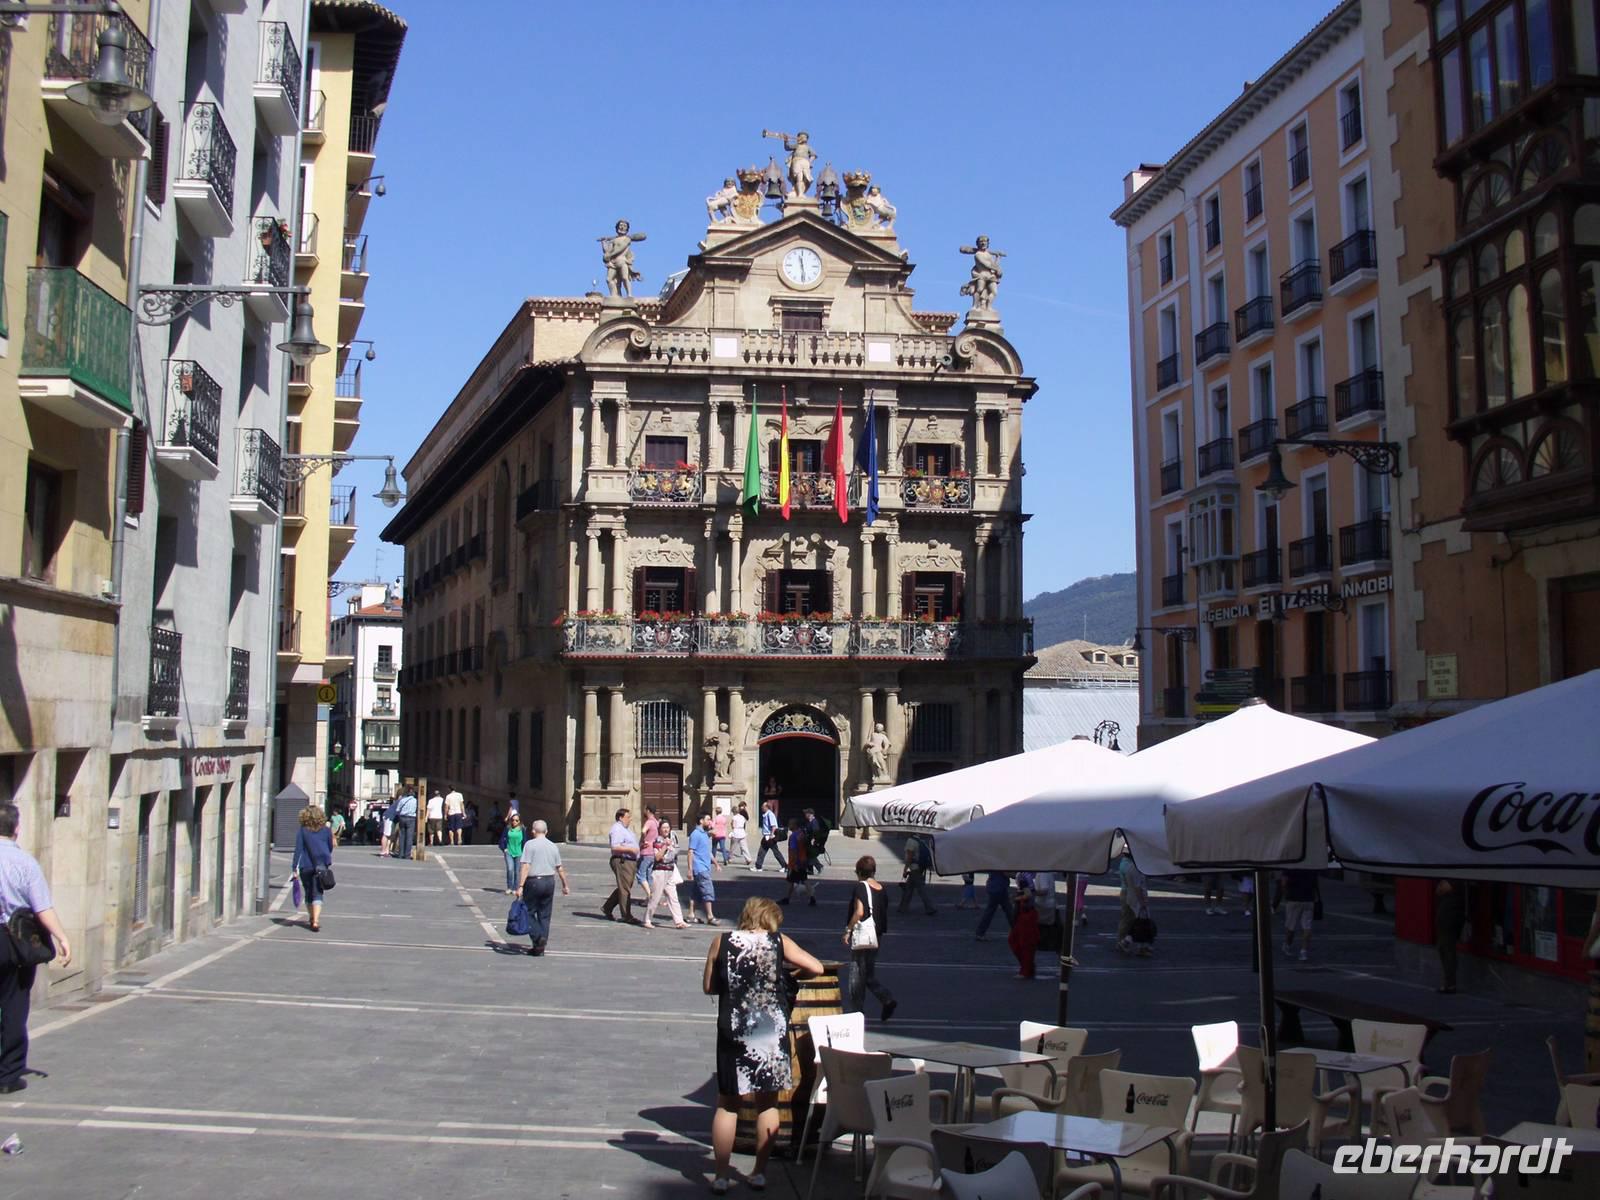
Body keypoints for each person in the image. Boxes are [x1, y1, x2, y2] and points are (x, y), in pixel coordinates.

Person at [703, 897, 823, 1194]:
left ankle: (720, 1175)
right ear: (771, 919)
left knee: (728, 1103)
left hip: (734, 1027)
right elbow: (817, 968)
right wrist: (791, 975)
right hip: (769, 1030)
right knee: (766, 1104)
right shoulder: (779, 941)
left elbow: (708, 986)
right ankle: (758, 1172)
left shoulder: (721, 941)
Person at [0, 802, 73, 1094]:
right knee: (14, 1004)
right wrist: (62, 937)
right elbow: (42, 908)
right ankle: (8, 1074)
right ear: (17, 829)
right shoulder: (25, 863)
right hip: (14, 942)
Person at [844, 856, 897, 1021]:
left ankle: (856, 1013)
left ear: (860, 872)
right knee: (868, 974)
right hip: (876, 936)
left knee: (856, 976)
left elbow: (859, 911)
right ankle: (886, 998)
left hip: (862, 935)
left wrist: (848, 929)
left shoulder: (861, 887)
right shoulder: (881, 888)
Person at [516, 819, 571, 956]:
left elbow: (526, 866)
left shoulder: (530, 844)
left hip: (534, 881)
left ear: (533, 831)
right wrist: (565, 885)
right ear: (546, 831)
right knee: (545, 915)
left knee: (527, 912)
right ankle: (539, 948)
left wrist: (520, 886)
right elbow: (560, 868)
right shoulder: (553, 846)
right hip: (549, 882)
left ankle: (537, 937)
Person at [291, 805, 335, 934]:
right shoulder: (326, 830)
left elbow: (298, 850)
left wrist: (294, 867)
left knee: (308, 891)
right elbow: (330, 846)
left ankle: (311, 917)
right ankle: (315, 920)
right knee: (318, 892)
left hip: (306, 865)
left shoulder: (302, 830)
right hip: (321, 864)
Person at [643, 818, 688, 930]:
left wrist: (671, 847)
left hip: (670, 871)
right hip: (659, 872)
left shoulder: (672, 840)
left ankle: (679, 921)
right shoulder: (657, 841)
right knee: (656, 897)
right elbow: (658, 857)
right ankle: (647, 919)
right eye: (663, 828)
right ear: (659, 829)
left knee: (673, 897)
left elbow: (676, 852)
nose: (666, 830)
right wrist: (665, 847)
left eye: (667, 827)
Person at [600, 808, 641, 924]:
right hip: (623, 860)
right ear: (620, 818)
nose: (630, 819)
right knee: (625, 889)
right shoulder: (617, 829)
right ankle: (626, 915)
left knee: (624, 887)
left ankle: (607, 907)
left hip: (630, 861)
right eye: (628, 817)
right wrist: (631, 849)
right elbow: (615, 846)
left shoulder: (626, 829)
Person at [1275, 869, 1320, 962]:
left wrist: (1285, 894)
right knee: (1307, 927)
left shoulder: (1291, 868)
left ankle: (1287, 945)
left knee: (1291, 926)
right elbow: (1316, 884)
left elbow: (1283, 883)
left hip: (1294, 899)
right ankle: (1303, 952)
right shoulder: (1312, 869)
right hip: (1308, 899)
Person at [1116, 848, 1152, 957]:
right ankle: (1128, 943)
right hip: (1134, 898)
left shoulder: (1129, 866)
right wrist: (1142, 902)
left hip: (1131, 896)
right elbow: (1137, 887)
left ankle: (1135, 944)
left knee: (1136, 922)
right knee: (1140, 923)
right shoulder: (1133, 868)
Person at [1434, 879, 1466, 994]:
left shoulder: (1456, 881)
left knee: (1448, 951)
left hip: (1450, 920)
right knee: (1443, 949)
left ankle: (1450, 984)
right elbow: (1439, 890)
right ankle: (1449, 982)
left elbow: (1442, 889)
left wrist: (1442, 885)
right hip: (1445, 919)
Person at [689, 813, 719, 925]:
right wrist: (689, 869)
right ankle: (710, 916)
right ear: (701, 821)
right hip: (700, 868)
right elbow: (690, 852)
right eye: (708, 819)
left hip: (704, 867)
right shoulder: (696, 834)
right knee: (708, 891)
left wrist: (716, 863)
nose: (710, 821)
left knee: (696, 893)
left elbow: (707, 851)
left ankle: (691, 914)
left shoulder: (705, 834)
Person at [779, 818, 816, 906]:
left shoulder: (793, 836)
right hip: (803, 859)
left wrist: (793, 864)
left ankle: (788, 899)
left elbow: (793, 851)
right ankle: (810, 897)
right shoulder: (801, 833)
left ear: (795, 825)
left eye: (790, 824)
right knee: (799, 880)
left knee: (794, 880)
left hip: (796, 862)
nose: (789, 826)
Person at [1009, 885, 1041, 978]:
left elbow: (1028, 893)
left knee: (1025, 943)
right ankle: (1027, 967)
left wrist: (1017, 898)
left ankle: (1026, 970)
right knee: (1016, 941)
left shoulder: (1026, 875)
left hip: (1027, 914)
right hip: (1023, 913)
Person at [898, 837, 936, 916]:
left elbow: (909, 856)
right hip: (919, 867)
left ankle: (930, 907)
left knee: (921, 889)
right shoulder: (919, 840)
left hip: (915, 868)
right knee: (909, 888)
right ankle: (902, 907)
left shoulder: (910, 841)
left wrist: (905, 869)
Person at [974, 871, 1014, 940]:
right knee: (1008, 911)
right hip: (999, 888)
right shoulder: (1000, 863)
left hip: (995, 887)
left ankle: (980, 932)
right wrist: (1018, 876)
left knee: (992, 911)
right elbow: (1006, 873)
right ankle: (1018, 931)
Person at [754, 798, 786, 872]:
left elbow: (774, 825)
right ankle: (758, 866)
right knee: (762, 851)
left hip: (770, 836)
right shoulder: (766, 814)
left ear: (766, 807)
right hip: (766, 836)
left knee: (775, 852)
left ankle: (784, 866)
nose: (761, 807)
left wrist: (772, 835)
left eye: (763, 806)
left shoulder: (770, 814)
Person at [637, 805, 660, 899]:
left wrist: (643, 840)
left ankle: (650, 895)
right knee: (649, 874)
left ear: (648, 811)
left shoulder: (649, 822)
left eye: (645, 809)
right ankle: (651, 896)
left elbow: (643, 831)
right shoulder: (656, 822)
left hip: (646, 851)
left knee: (640, 874)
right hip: (653, 851)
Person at [499, 812, 525, 896]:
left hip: (519, 853)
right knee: (510, 869)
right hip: (509, 852)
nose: (514, 822)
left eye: (516, 820)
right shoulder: (507, 829)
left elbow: (525, 841)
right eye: (513, 820)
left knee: (517, 871)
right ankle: (509, 887)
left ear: (519, 822)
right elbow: (501, 840)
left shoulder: (523, 830)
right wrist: (504, 849)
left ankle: (515, 888)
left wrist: (524, 851)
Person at [391, 787, 418, 860]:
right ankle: (407, 855)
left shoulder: (402, 800)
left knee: (402, 835)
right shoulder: (415, 800)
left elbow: (397, 810)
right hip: (411, 818)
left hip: (402, 817)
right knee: (409, 837)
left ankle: (400, 853)